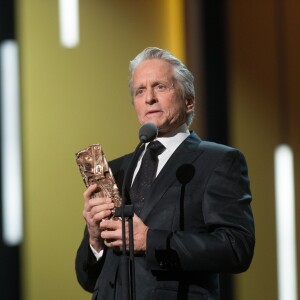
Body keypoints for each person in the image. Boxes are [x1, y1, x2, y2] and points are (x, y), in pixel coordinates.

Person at [75, 47, 255, 300]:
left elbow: (237, 248)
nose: (149, 98)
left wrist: (150, 241)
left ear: (189, 100)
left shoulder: (218, 161)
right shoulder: (116, 170)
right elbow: (88, 280)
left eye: (160, 87)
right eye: (140, 91)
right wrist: (94, 239)